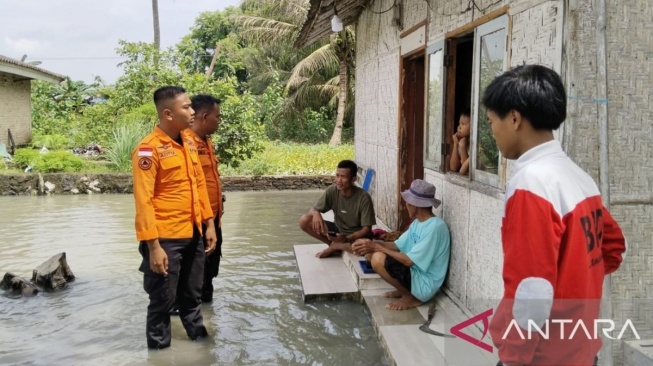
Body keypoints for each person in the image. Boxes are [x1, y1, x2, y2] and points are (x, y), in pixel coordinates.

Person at [482, 65, 627, 366]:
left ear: (514, 118)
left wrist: (513, 357)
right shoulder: (579, 177)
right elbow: (613, 250)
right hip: (583, 349)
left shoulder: (531, 184)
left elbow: (532, 288)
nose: (492, 131)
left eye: (491, 121)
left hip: (543, 356)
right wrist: (577, 281)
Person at [132, 86, 217, 350]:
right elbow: (143, 201)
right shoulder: (148, 150)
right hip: (165, 238)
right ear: (168, 114)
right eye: (187, 107)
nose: (193, 112)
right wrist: (153, 247)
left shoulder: (190, 142)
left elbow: (199, 184)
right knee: (162, 302)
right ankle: (159, 352)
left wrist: (209, 222)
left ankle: (202, 347)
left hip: (193, 233)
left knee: (192, 296)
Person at [351, 179, 450, 311]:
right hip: (416, 275)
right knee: (371, 254)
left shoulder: (435, 227)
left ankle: (412, 297)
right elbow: (396, 245)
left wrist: (378, 248)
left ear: (416, 204)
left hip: (425, 284)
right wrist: (369, 244)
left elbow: (409, 261)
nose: (406, 205)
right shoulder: (417, 223)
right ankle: (403, 290)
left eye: (408, 202)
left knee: (378, 258)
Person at [187, 94, 224, 303]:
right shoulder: (185, 143)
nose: (218, 121)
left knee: (209, 270)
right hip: (196, 221)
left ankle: (207, 318)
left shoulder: (207, 142)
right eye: (217, 117)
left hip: (214, 219)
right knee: (194, 273)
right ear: (204, 116)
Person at [299, 160, 376, 258]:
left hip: (356, 236)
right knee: (304, 220)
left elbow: (367, 229)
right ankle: (333, 245)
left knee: (366, 250)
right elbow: (313, 209)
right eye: (337, 175)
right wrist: (316, 213)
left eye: (343, 177)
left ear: (353, 179)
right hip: (338, 231)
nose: (338, 180)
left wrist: (347, 239)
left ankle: (337, 246)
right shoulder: (332, 190)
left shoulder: (364, 197)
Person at [450, 108, 471, 174]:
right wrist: (456, 144)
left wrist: (462, 146)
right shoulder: (462, 140)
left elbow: (467, 171)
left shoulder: (475, 145)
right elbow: (453, 167)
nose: (459, 127)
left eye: (463, 124)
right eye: (459, 123)